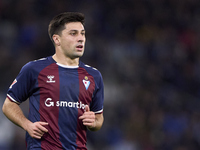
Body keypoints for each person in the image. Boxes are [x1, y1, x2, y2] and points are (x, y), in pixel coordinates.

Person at [2, 12, 104, 150]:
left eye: (83, 33)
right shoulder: (34, 69)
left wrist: (94, 123)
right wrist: (27, 125)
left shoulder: (94, 76)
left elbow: (99, 118)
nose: (81, 39)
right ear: (57, 39)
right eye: (73, 34)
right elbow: (8, 105)